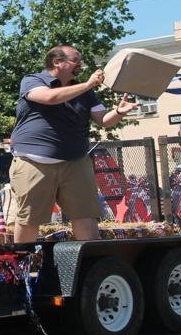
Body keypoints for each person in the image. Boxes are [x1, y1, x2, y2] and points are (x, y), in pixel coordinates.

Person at [8, 45, 139, 243]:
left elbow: (104, 120)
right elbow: (50, 98)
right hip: (34, 162)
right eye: (75, 60)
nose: (80, 65)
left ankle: (89, 263)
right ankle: (22, 265)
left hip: (76, 162)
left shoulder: (85, 92)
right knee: (30, 219)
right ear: (57, 62)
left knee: (85, 215)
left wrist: (119, 112)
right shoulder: (33, 80)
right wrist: (88, 84)